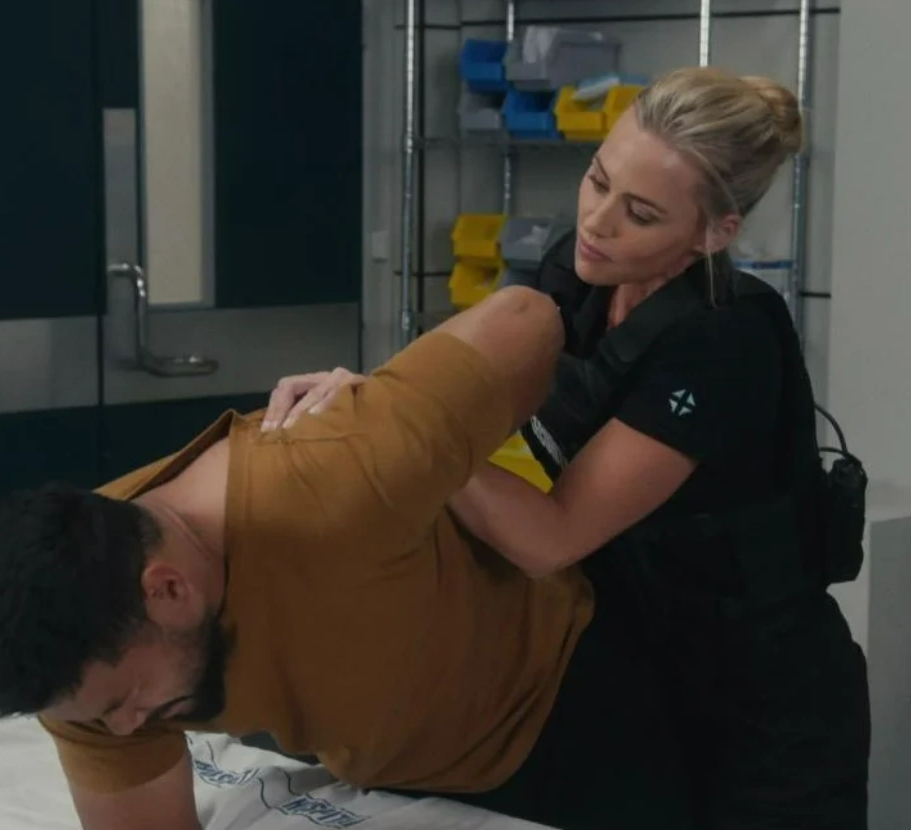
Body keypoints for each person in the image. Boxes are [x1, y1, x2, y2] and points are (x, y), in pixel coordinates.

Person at [266, 67, 871, 829]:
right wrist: (374, 394)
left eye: (640, 213)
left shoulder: (723, 341)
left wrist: (406, 427)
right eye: (597, 180)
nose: (597, 222)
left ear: (714, 232)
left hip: (764, 707)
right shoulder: (577, 274)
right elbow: (445, 390)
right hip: (631, 671)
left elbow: (548, 538)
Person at [0, 285, 703, 830]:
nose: (127, 727)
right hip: (392, 765)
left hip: (560, 700)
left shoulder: (341, 474)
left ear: (168, 589)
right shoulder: (78, 668)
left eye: (127, 701)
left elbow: (530, 318)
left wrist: (415, 418)